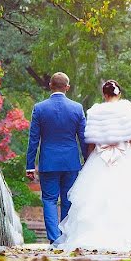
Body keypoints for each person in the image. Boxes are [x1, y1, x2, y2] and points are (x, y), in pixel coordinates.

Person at [52, 80, 131, 252]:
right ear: (119, 94)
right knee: (128, 198)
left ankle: (92, 238)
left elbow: (90, 142)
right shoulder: (127, 110)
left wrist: (88, 161)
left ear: (104, 95)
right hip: (125, 157)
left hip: (99, 158)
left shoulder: (96, 112)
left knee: (96, 199)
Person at [25, 72, 87, 244]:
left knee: (49, 200)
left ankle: (55, 240)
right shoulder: (77, 108)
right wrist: (87, 160)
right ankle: (66, 238)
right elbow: (83, 138)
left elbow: (34, 139)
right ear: (67, 87)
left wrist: (30, 165)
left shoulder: (40, 108)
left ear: (50, 86)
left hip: (49, 162)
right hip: (71, 162)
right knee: (68, 199)